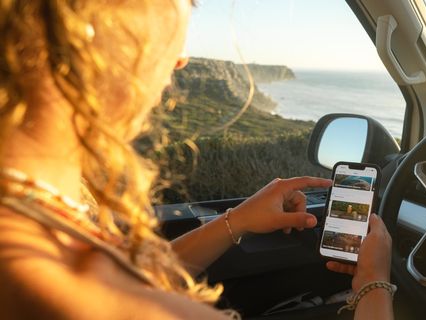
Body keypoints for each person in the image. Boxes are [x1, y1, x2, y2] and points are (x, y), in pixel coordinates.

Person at [0, 1, 394, 319]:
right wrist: (375, 284)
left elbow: (133, 275)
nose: (182, 57)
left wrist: (235, 220)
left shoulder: (30, 215)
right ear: (86, 24)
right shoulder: (74, 290)